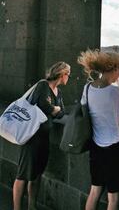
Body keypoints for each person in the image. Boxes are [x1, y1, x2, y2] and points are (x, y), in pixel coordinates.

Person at [78, 49, 119, 210]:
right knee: (113, 198)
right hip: (115, 149)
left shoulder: (87, 88)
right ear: (113, 68)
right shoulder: (115, 92)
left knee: (94, 191)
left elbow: (85, 111)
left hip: (96, 146)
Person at [13, 61, 71, 210]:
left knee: (37, 174)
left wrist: (55, 109)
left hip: (44, 138)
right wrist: (55, 109)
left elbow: (61, 112)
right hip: (31, 137)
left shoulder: (58, 92)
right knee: (23, 175)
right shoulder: (42, 85)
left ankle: (32, 206)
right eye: (68, 75)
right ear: (62, 74)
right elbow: (46, 107)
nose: (69, 78)